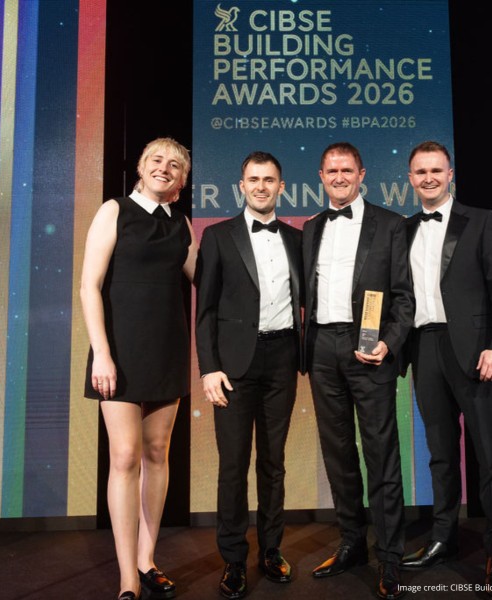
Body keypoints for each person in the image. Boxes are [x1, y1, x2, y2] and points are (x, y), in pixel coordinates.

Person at [399, 141, 492, 598]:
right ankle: (443, 539)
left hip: (475, 352)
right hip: (424, 347)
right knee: (440, 454)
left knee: (491, 454)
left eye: (436, 170)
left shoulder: (481, 220)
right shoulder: (404, 229)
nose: (428, 178)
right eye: (420, 171)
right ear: (410, 179)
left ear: (450, 174)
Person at [80, 137, 197, 600]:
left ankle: (148, 560)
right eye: (156, 160)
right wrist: (102, 353)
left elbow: (207, 278)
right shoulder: (115, 211)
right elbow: (89, 286)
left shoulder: (180, 224)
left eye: (174, 165)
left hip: (167, 350)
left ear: (182, 180)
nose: (164, 168)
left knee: (157, 453)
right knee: (125, 456)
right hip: (120, 353)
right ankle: (127, 577)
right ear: (141, 167)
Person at [302, 142, 414, 600]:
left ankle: (390, 555)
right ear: (321, 176)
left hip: (369, 347)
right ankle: (352, 542)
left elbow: (405, 297)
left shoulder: (390, 224)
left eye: (347, 170)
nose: (339, 177)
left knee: (380, 452)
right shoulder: (311, 227)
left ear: (362, 174)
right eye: (331, 171)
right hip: (321, 347)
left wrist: (389, 341)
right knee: (338, 453)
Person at [195, 151, 303, 599]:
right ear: (241, 185)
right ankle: (234, 559)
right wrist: (209, 368)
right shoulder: (218, 236)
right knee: (233, 464)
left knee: (273, 462)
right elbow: (205, 311)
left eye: (269, 179)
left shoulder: (296, 239)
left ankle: (272, 549)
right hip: (233, 366)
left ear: (281, 187)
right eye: (254, 179)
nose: (261, 186)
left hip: (282, 359)